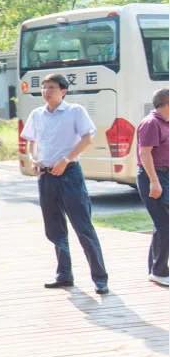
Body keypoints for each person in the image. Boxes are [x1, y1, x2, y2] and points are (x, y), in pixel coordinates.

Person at [20, 74, 109, 294]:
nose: (46, 91)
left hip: (69, 174)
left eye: (51, 87)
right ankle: (64, 274)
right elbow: (30, 142)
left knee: (83, 226)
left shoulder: (75, 111)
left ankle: (100, 278)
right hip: (46, 176)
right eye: (44, 87)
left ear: (63, 91)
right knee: (54, 228)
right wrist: (33, 159)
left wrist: (67, 160)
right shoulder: (36, 114)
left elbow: (88, 138)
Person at [136, 87, 169, 287]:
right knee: (164, 224)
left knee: (162, 223)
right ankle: (159, 271)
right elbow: (145, 153)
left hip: (164, 175)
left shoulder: (164, 122)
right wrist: (154, 181)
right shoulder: (151, 123)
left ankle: (155, 268)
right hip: (153, 176)